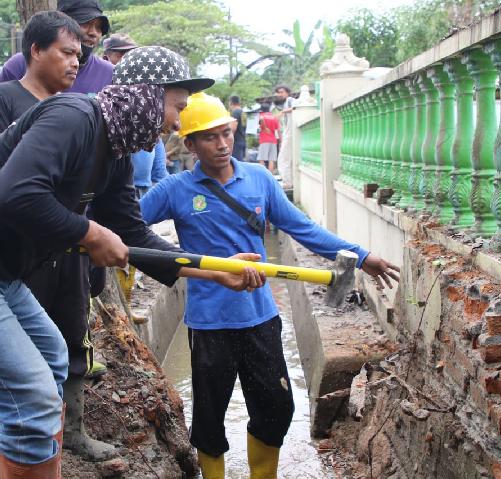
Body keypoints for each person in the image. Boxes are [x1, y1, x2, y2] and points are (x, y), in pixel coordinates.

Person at [0, 46, 263, 479]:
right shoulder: (73, 116)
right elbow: (14, 195)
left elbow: (134, 233)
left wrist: (215, 269)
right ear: (145, 95)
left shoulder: (116, 153)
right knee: (33, 400)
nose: (177, 123)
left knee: (52, 358)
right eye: (176, 106)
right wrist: (89, 233)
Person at [140, 92, 400, 479]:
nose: (223, 143)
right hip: (209, 324)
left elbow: (302, 228)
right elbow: (128, 229)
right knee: (209, 420)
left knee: (277, 409)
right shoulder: (176, 189)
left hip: (260, 318)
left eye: (226, 133)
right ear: (190, 144)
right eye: (210, 137)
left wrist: (361, 256)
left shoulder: (258, 179)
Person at [0, 11, 121, 462]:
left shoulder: (77, 107)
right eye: (66, 53)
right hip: (15, 244)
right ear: (34, 51)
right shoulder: (1, 99)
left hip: (68, 243)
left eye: (80, 54)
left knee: (72, 332)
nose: (76, 63)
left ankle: (71, 427)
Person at [0, 0, 113, 97]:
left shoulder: (111, 74)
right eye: (85, 24)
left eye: (99, 28)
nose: (94, 33)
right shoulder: (19, 66)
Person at [274, 85, 295, 188]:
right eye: (278, 93)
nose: (279, 94)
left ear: (287, 92)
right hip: (288, 134)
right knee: (286, 159)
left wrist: (282, 112)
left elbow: (296, 108)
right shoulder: (286, 103)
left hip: (291, 134)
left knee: (283, 159)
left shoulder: (290, 100)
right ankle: (289, 181)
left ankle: (288, 182)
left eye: (281, 92)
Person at [257, 102, 279, 172]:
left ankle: (263, 176)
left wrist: (263, 128)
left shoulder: (261, 116)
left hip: (264, 140)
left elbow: (259, 125)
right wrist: (280, 140)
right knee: (271, 160)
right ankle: (270, 176)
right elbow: (277, 130)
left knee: (261, 159)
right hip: (273, 140)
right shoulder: (274, 117)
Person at [228, 95, 245, 161]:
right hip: (242, 139)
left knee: (236, 163)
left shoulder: (236, 112)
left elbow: (233, 127)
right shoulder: (242, 112)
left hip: (236, 142)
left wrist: (228, 140)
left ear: (231, 102)